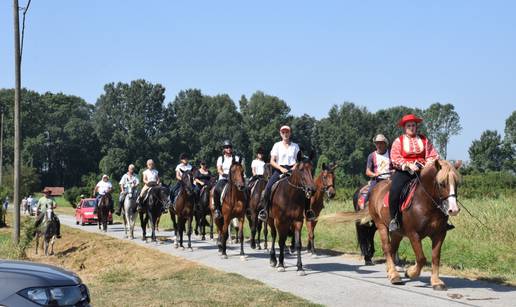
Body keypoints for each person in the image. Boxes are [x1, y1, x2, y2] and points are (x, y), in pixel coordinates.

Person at [388, 114, 439, 232]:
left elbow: (433, 155)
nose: (411, 127)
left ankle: (443, 219)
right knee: (394, 191)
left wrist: (427, 164)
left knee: (439, 187)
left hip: (423, 170)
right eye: (408, 125)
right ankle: (394, 219)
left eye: (413, 125)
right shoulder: (398, 141)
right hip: (404, 172)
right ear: (404, 128)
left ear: (416, 127)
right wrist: (407, 165)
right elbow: (395, 157)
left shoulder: (424, 140)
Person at [258, 125, 316, 222]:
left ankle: (308, 211)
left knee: (307, 189)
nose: (285, 134)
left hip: (293, 169)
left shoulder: (295, 146)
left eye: (287, 132)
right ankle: (265, 211)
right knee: (268, 187)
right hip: (279, 169)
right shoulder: (277, 145)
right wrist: (281, 169)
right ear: (281, 134)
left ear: (290, 133)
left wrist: (293, 168)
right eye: (283, 132)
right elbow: (272, 161)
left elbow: (299, 160)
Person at [212, 140, 241, 219]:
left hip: (234, 180)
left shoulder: (236, 158)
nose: (228, 149)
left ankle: (246, 208)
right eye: (226, 147)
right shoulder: (220, 158)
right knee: (216, 190)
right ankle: (217, 209)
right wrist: (224, 174)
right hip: (224, 179)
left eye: (230, 147)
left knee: (244, 189)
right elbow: (219, 169)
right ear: (224, 149)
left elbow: (239, 168)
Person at [362, 134, 393, 204]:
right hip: (377, 180)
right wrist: (374, 174)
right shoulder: (371, 156)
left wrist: (394, 171)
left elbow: (397, 166)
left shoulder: (391, 153)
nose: (379, 145)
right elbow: (367, 171)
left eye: (381, 143)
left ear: (385, 144)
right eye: (377, 143)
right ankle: (363, 208)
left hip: (390, 179)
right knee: (370, 193)